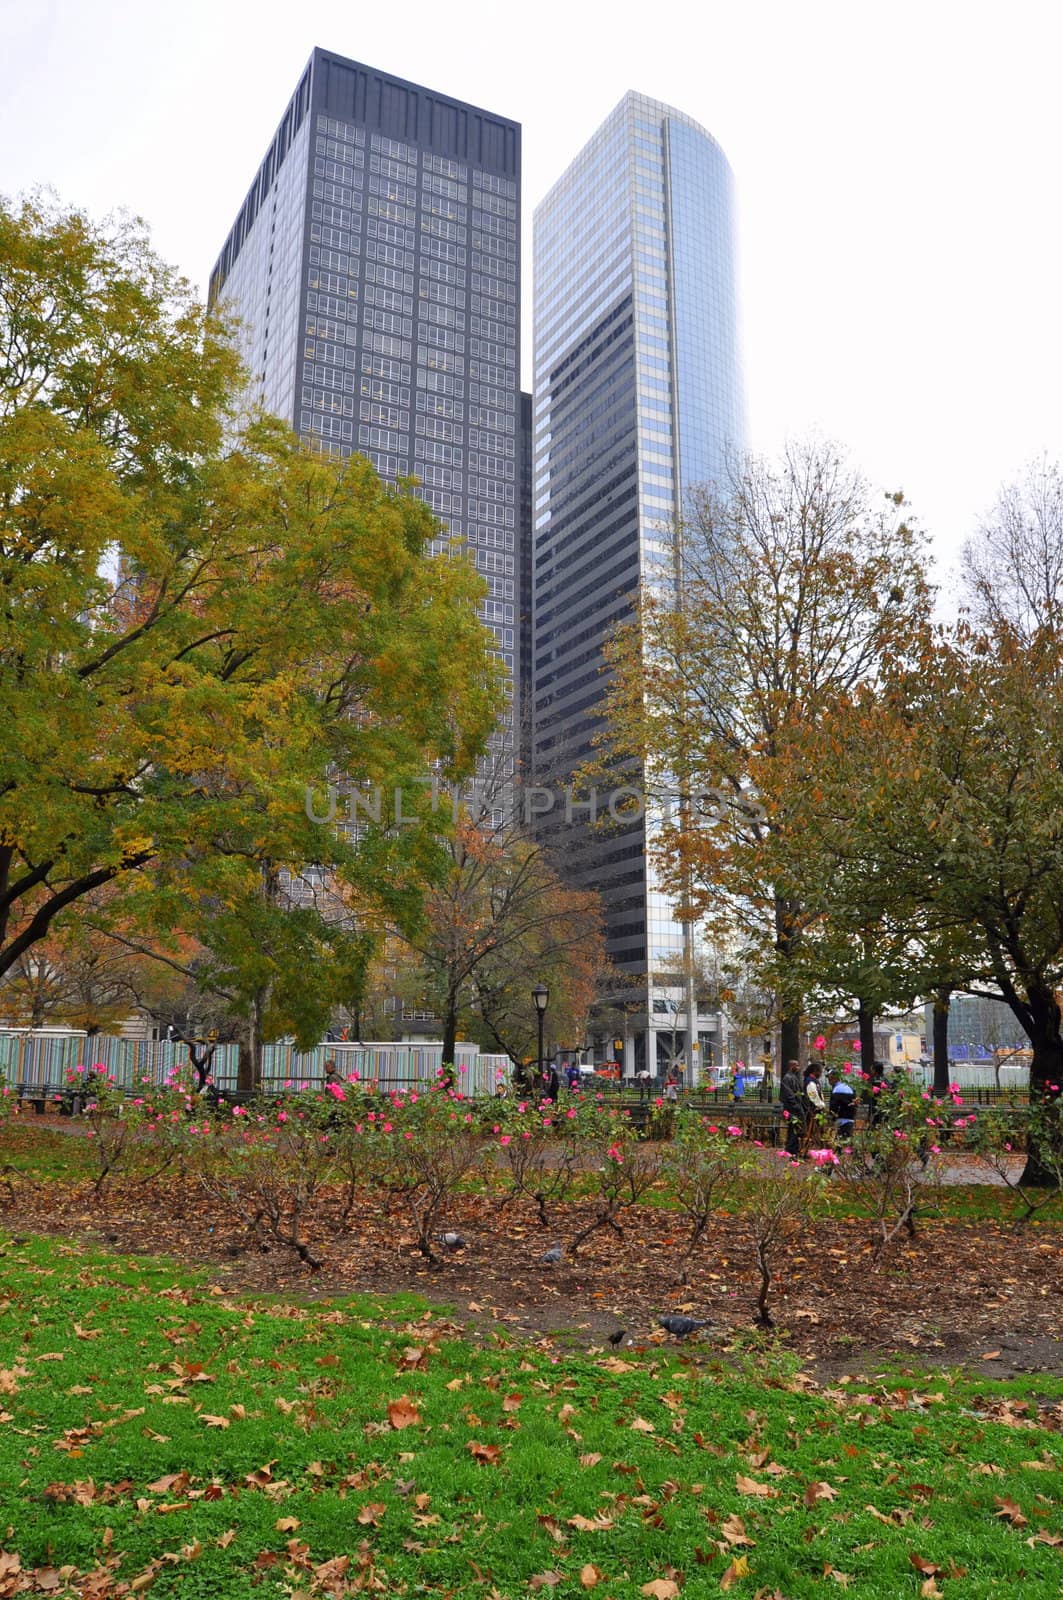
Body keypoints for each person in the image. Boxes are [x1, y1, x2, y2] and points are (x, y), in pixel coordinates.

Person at [780, 1060, 805, 1157]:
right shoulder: (787, 1078)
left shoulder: (793, 1077)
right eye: (797, 1065)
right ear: (792, 1066)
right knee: (793, 1128)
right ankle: (790, 1149)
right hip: (792, 1109)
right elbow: (788, 1094)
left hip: (796, 1108)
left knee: (795, 1128)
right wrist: (796, 1105)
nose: (798, 1067)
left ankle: (793, 1148)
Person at [826, 1068, 856, 1141]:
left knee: (841, 1142)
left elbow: (834, 1107)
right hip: (850, 1119)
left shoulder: (837, 1090)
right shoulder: (848, 1087)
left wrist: (831, 1118)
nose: (829, 1080)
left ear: (835, 1078)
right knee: (847, 1141)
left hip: (841, 1120)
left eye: (830, 1078)